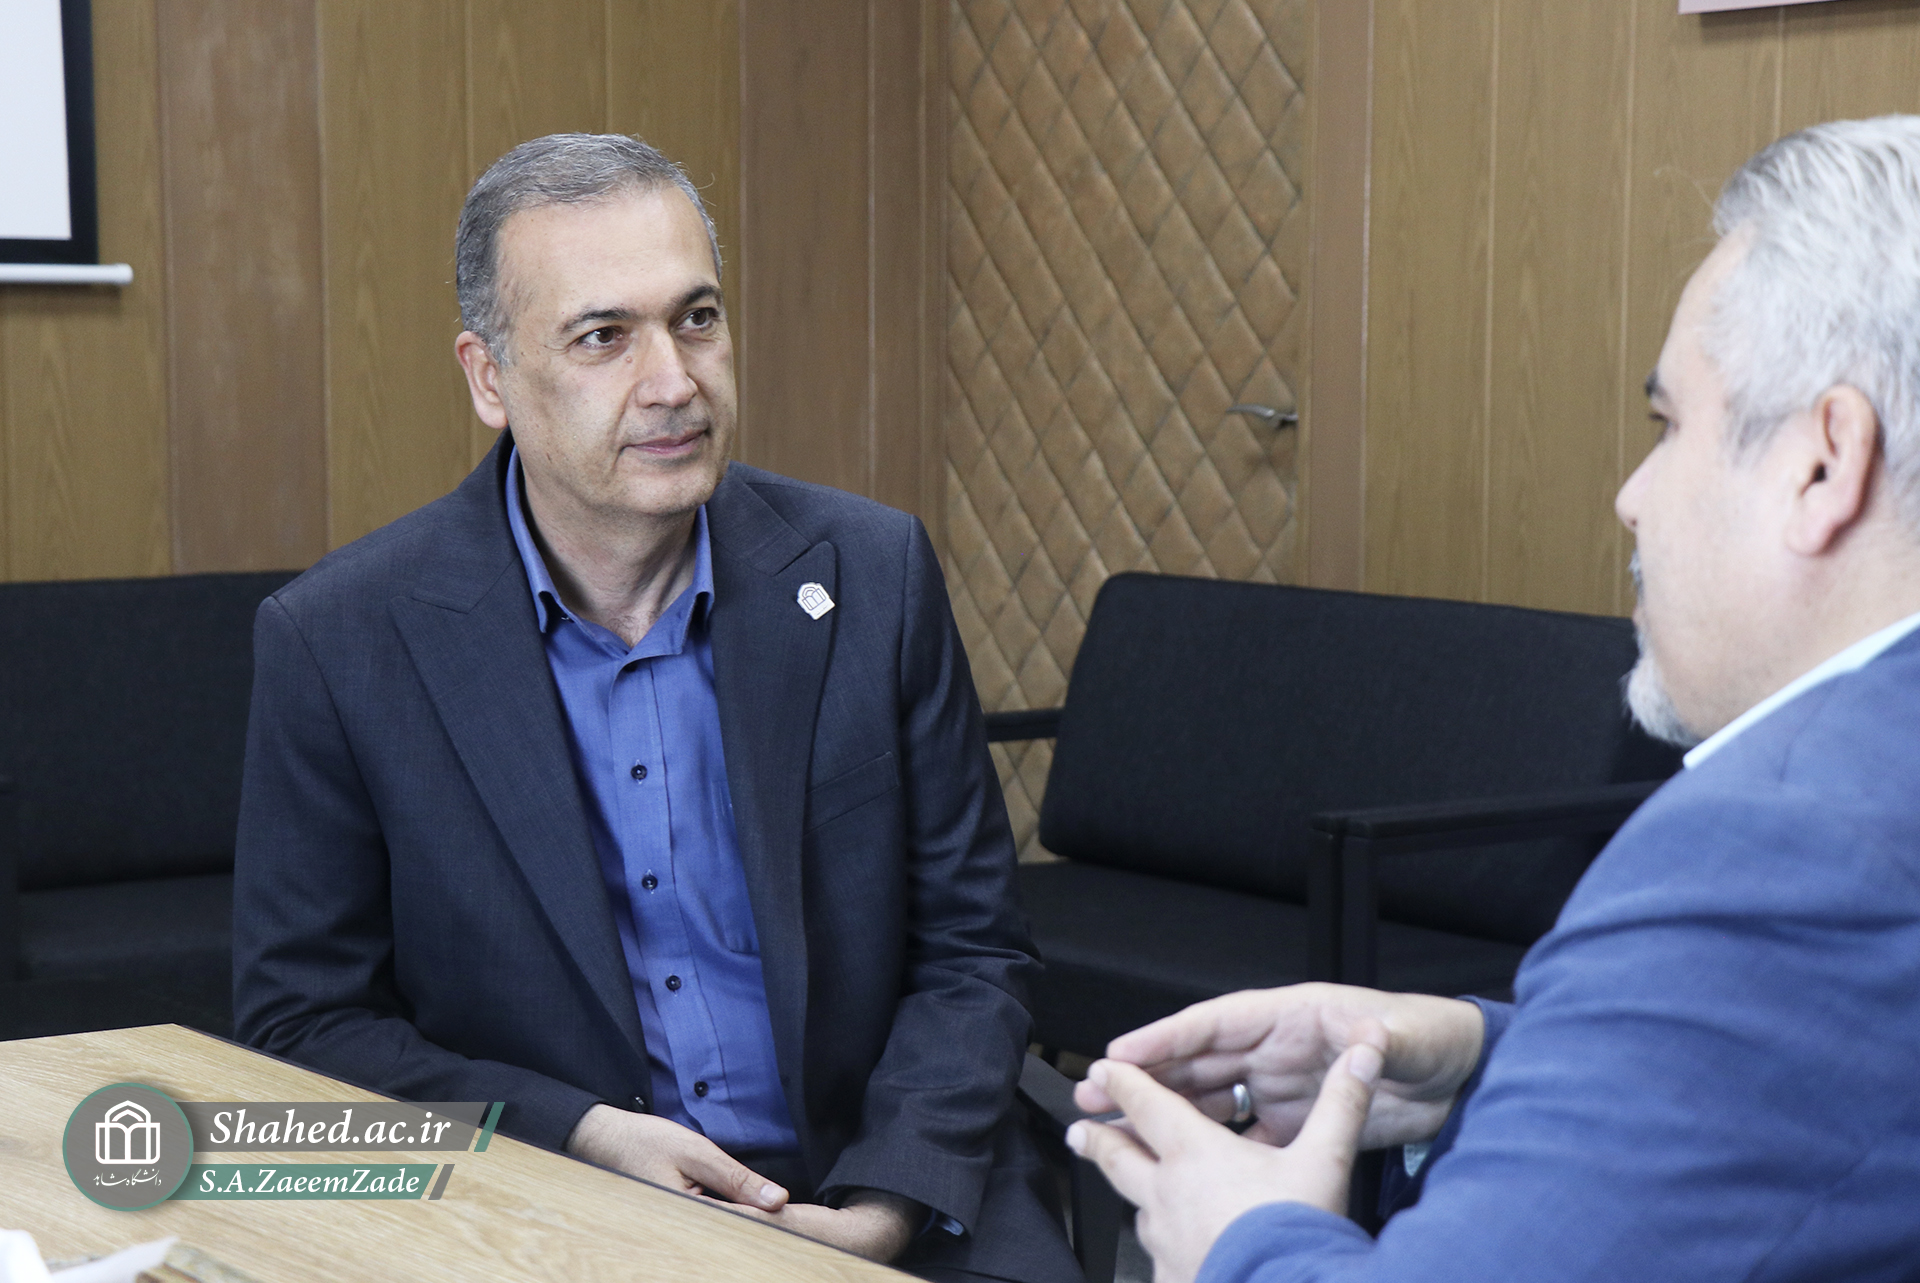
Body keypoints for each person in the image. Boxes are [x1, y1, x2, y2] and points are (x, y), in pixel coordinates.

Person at [1066, 115, 1920, 1283]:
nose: (1631, 495)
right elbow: (1821, 1088)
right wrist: (1477, 1059)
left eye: (1669, 425)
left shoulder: (1774, 851)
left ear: (1823, 461)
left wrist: (1239, 1239)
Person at [232, 133, 1076, 1283]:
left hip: (887, 1183)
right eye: (603, 336)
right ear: (489, 378)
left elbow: (972, 947)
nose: (674, 381)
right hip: (549, 1207)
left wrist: (886, 1202)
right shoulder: (341, 640)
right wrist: (578, 1134)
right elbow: (305, 1025)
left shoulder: (872, 572)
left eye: (697, 318)